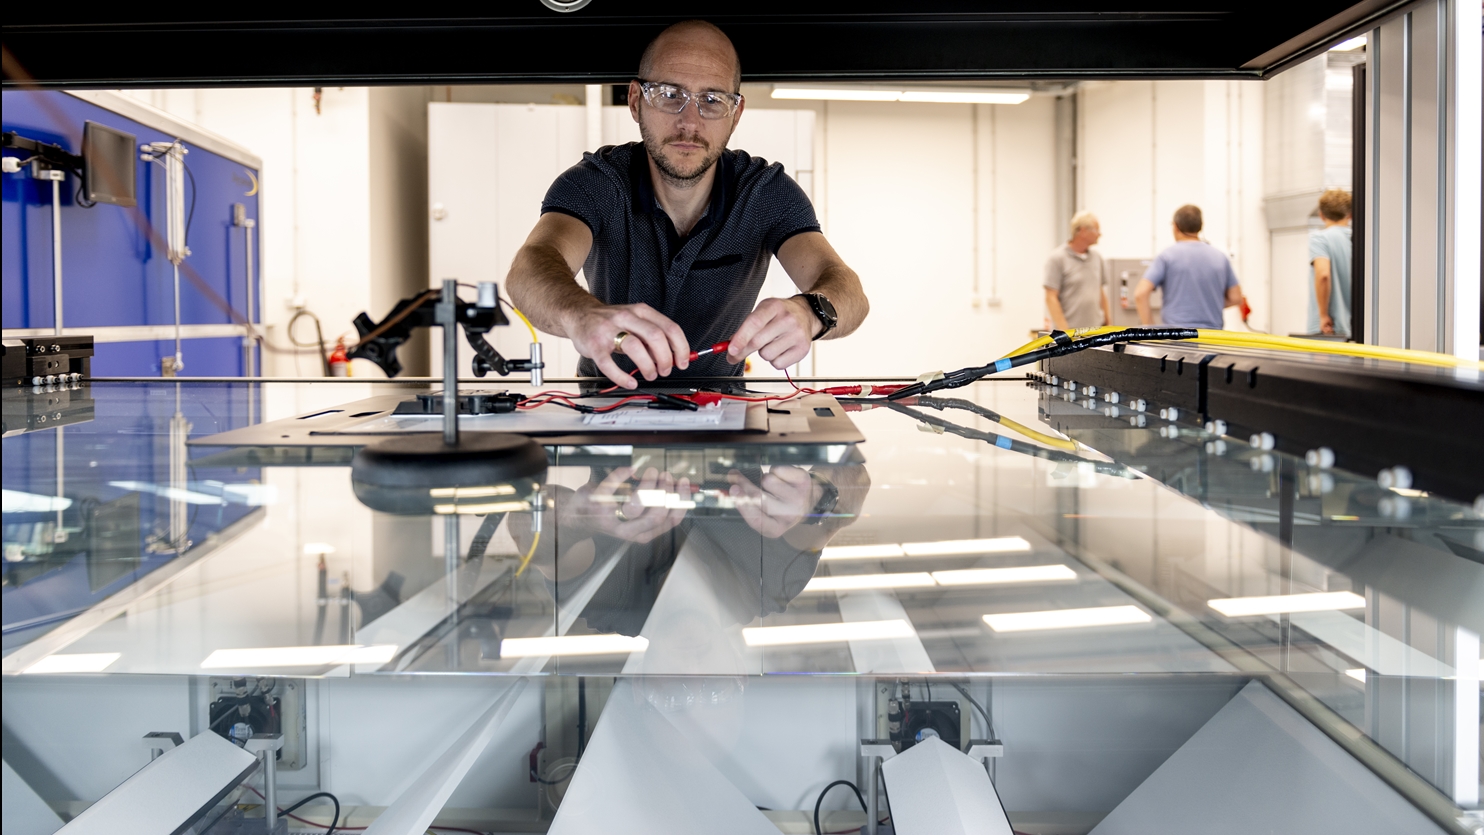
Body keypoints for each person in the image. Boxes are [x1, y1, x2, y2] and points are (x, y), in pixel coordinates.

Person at [506, 20, 868, 388]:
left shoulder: (765, 191)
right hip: (606, 404)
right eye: (669, 94)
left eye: (712, 100)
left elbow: (848, 290)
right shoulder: (595, 183)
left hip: (724, 410)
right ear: (636, 101)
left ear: (735, 114)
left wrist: (811, 314)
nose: (689, 122)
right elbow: (530, 268)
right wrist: (581, 316)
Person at [1136, 204, 1243, 330]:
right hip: (1212, 338)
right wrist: (1208, 304)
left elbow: (1140, 294)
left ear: (1175, 226)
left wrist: (1150, 329)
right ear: (1200, 226)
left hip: (1177, 338)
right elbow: (1236, 297)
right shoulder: (1220, 257)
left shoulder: (1167, 256)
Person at [1043, 211, 1111, 330]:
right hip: (1070, 334)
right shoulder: (1057, 258)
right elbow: (1051, 297)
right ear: (1083, 231)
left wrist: (1109, 323)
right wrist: (1065, 332)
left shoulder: (1097, 258)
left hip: (1095, 332)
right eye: (1096, 230)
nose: (1099, 234)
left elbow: (1100, 291)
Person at [1308, 189, 1353, 337]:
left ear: (1321, 215)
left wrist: (1323, 315)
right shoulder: (1361, 240)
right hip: (1357, 328)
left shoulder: (1320, 239)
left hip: (1329, 328)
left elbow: (1323, 275)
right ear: (1350, 215)